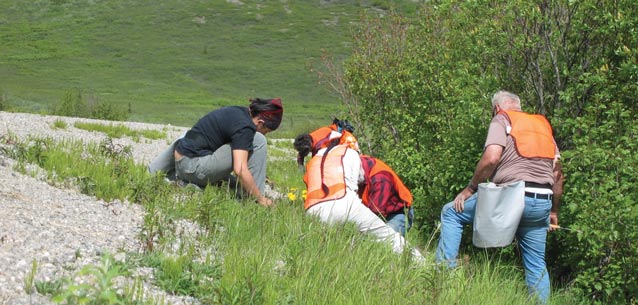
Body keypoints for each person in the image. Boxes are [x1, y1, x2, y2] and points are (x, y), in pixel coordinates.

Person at [435, 90, 564, 303]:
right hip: (542, 199)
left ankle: (441, 279)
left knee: (451, 212)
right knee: (536, 264)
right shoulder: (543, 126)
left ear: (496, 108)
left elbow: (492, 158)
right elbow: (558, 174)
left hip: (512, 196)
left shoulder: (502, 118)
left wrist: (470, 189)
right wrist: (553, 211)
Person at [294, 122, 424, 261]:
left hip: (396, 213)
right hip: (346, 205)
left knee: (380, 245)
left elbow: (376, 212)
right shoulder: (348, 155)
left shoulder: (379, 177)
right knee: (385, 241)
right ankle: (422, 264)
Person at [148, 98, 283, 207]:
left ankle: (181, 180)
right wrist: (260, 198)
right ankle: (254, 203)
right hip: (194, 168)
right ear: (260, 123)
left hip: (183, 164)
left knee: (234, 185)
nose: (265, 133)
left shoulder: (237, 112)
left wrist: (153, 170)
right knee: (258, 140)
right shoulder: (246, 127)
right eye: (267, 131)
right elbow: (240, 169)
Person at [358, 155, 414, 236]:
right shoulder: (354, 163)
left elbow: (373, 214)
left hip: (398, 213)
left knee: (384, 240)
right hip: (376, 211)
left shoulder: (380, 179)